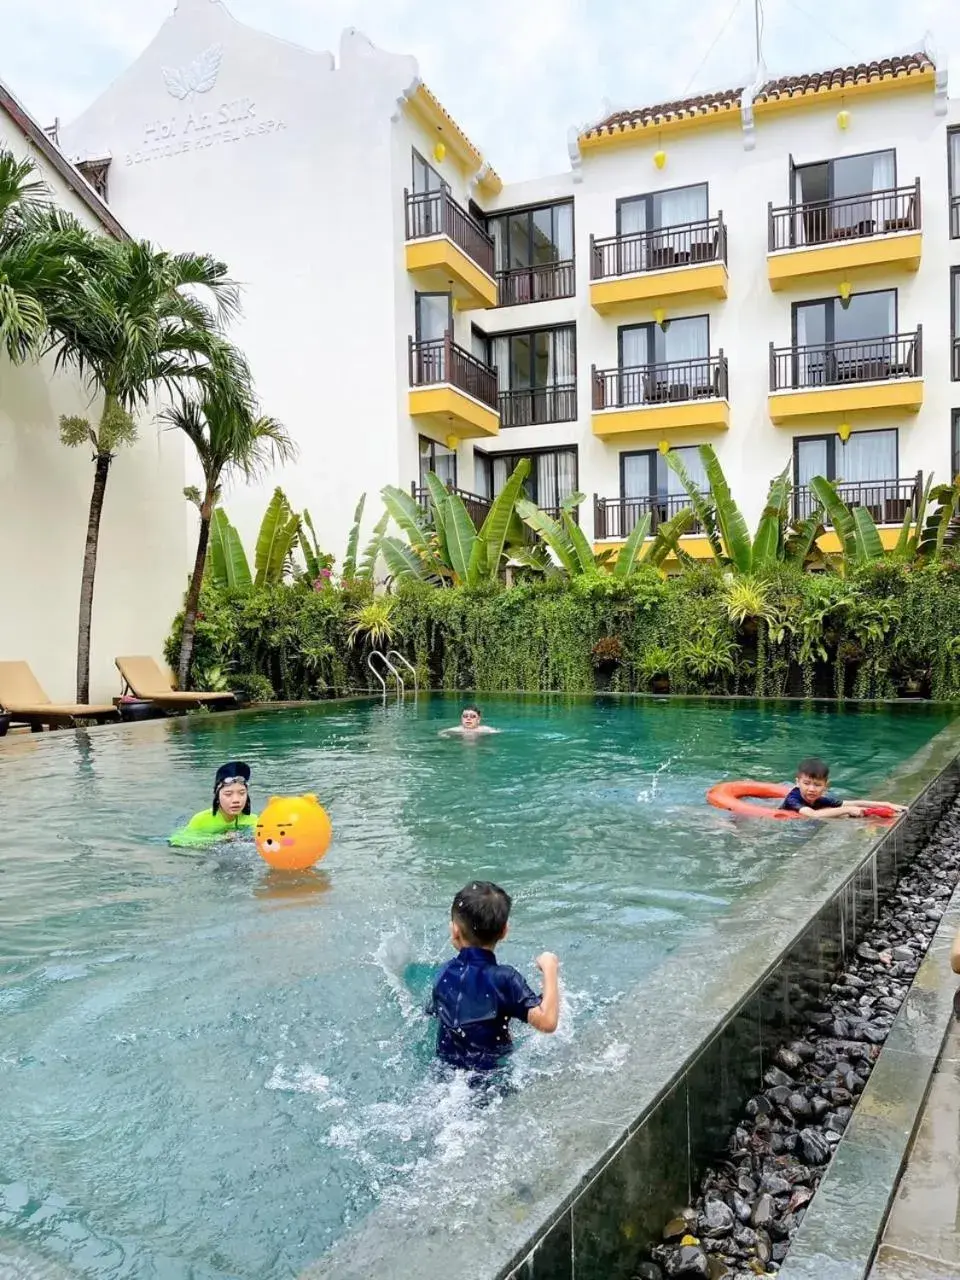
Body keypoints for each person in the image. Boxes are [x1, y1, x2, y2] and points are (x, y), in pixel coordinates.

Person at [427, 880, 559, 1073]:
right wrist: (550, 967)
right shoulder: (504, 979)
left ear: (455, 930)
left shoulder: (444, 973)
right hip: (491, 1076)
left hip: (445, 1073)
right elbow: (547, 1022)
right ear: (505, 931)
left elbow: (434, 1012)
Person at [780, 757, 907, 821]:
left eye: (817, 785)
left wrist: (886, 804)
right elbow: (813, 815)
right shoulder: (793, 798)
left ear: (825, 786)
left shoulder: (819, 798)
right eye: (806, 783)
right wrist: (848, 810)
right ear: (797, 783)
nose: (812, 789)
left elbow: (853, 803)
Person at [168, 761, 258, 847]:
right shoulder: (201, 820)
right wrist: (221, 839)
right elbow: (176, 841)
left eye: (242, 793)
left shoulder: (253, 820)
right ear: (217, 795)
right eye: (228, 794)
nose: (236, 800)